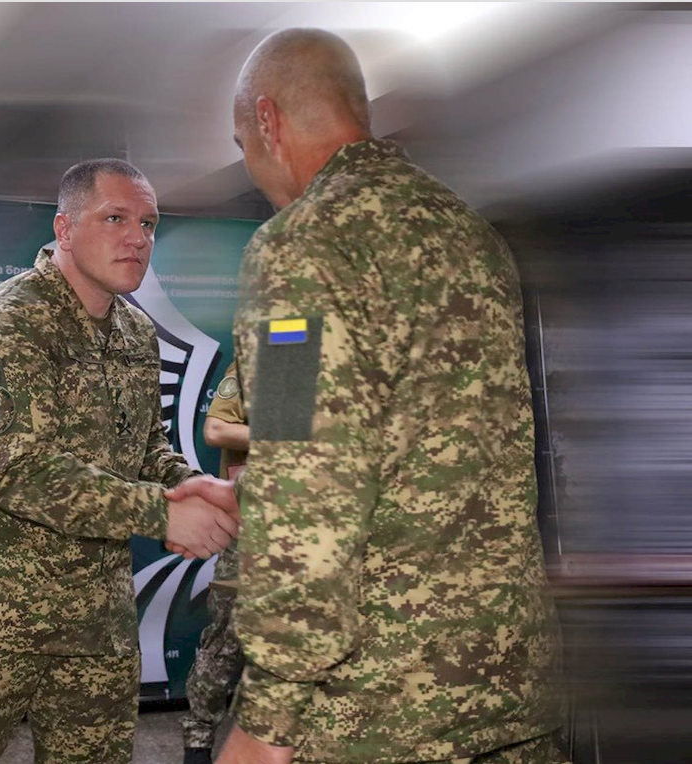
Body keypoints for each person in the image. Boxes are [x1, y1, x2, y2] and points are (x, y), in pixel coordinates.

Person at [169, 28, 566, 764]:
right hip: (510, 684)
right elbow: (442, 455)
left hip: (383, 707)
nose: (251, 165)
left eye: (243, 143)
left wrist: (268, 715)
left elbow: (308, 477)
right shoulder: (470, 233)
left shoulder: (303, 244)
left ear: (268, 120)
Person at [0, 158, 240, 764]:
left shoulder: (136, 332)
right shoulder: (8, 322)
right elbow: (22, 472)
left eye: (148, 223)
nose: (137, 238)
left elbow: (146, 448)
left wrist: (192, 486)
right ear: (64, 228)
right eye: (115, 218)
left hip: (97, 625)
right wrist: (163, 515)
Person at [181, 359, 249, 764]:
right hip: (251, 523)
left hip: (316, 527)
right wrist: (294, 438)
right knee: (225, 637)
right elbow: (217, 430)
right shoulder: (269, 356)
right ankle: (198, 737)